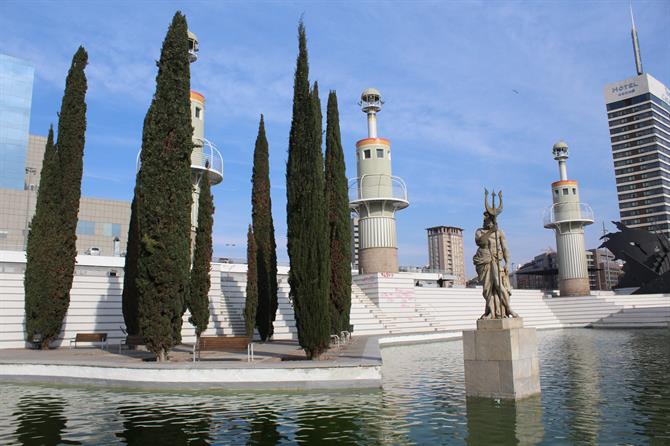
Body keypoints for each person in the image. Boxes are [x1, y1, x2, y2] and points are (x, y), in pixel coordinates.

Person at [473, 211, 518, 319]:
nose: (485, 223)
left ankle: (508, 308)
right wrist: (490, 231)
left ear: (493, 221)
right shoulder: (479, 231)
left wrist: (507, 263)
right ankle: (490, 312)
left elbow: (505, 248)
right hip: (484, 261)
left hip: (495, 261)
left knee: (498, 284)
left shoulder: (500, 233)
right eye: (484, 221)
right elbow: (480, 242)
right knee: (487, 289)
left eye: (488, 221)